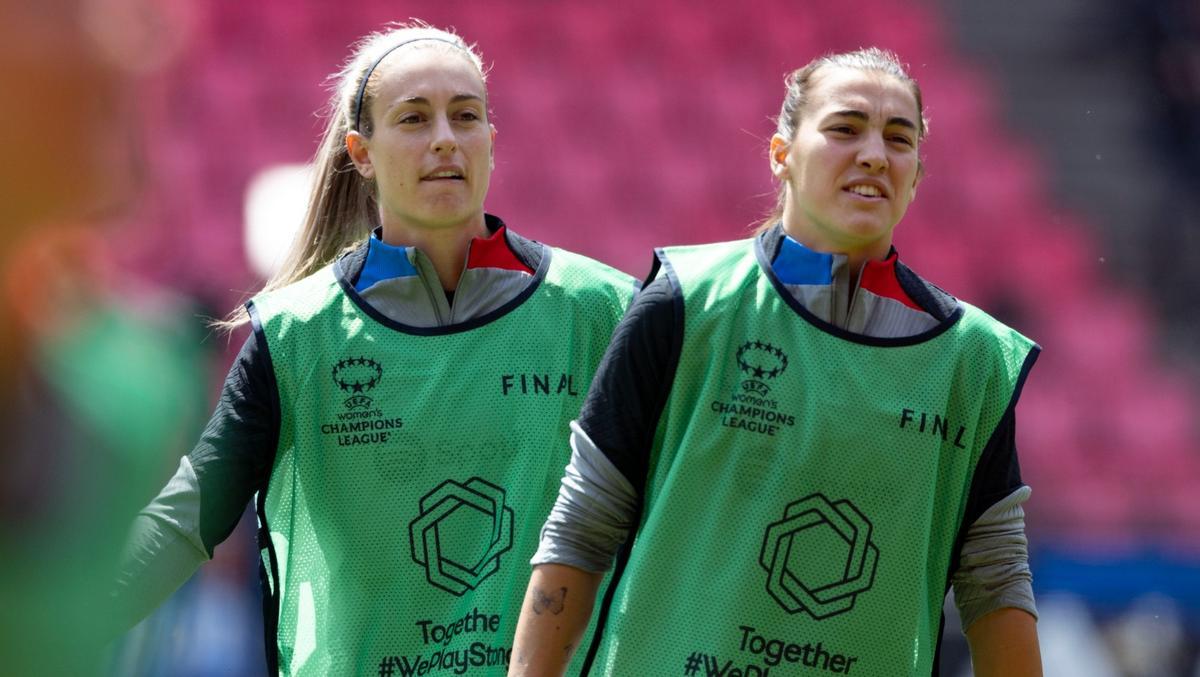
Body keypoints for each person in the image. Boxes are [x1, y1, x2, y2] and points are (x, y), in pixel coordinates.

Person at [113, 22, 634, 676]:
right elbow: (186, 518)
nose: (445, 137)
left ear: (491, 143)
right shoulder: (297, 335)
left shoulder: (603, 309)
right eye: (414, 118)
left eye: (465, 116)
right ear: (361, 152)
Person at [509, 48, 1043, 677]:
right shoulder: (685, 303)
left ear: (918, 175)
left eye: (899, 139)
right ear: (782, 154)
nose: (874, 153)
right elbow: (583, 525)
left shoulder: (973, 360)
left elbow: (996, 579)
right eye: (845, 128)